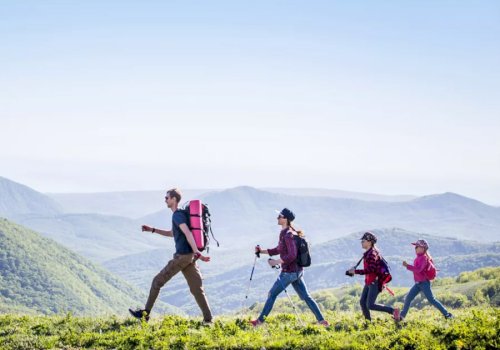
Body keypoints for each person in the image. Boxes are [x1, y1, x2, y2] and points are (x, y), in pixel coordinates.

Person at [129, 188, 213, 323]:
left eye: (167, 197)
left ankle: (145, 314)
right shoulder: (180, 215)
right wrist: (152, 230)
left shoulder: (177, 215)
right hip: (190, 257)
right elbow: (172, 233)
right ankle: (208, 320)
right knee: (197, 289)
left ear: (174, 199)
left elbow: (188, 233)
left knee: (157, 282)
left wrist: (198, 253)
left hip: (183, 257)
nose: (165, 200)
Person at [250, 208, 329, 327]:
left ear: (285, 219)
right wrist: (262, 251)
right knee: (306, 297)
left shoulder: (288, 235)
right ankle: (322, 321)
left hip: (289, 272)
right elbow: (278, 249)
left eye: (280, 216)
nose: (277, 218)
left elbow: (292, 255)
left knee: (272, 294)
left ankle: (259, 322)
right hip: (297, 272)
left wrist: (276, 261)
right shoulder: (287, 233)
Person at [347, 232, 399, 322]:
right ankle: (368, 322)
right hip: (369, 282)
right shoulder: (368, 253)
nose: (361, 242)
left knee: (370, 305)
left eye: (363, 241)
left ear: (370, 242)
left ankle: (393, 311)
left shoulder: (372, 254)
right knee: (363, 302)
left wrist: (355, 271)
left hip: (374, 282)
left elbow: (371, 270)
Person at [399, 239, 453, 321]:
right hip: (418, 284)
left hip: (424, 283)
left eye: (417, 246)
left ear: (423, 248)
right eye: (415, 247)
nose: (415, 248)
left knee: (432, 300)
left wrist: (407, 266)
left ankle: (447, 314)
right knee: (408, 298)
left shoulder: (424, 258)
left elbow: (419, 270)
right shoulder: (418, 257)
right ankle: (401, 316)